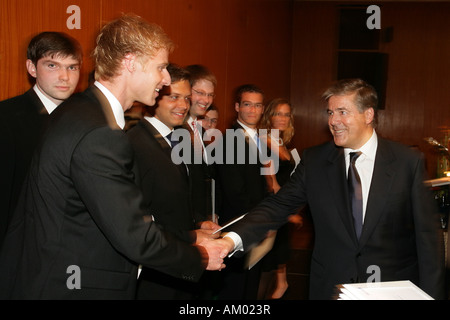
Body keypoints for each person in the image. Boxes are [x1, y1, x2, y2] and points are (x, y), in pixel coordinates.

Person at [0, 14, 228, 300]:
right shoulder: (98, 130)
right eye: (161, 68)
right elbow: (133, 236)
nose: (166, 79)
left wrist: (191, 237)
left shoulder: (82, 111)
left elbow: (110, 216)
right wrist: (200, 258)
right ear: (131, 63)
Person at [220, 78, 445, 300]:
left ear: (368, 115)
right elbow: (277, 206)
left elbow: (427, 237)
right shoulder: (315, 161)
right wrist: (231, 239)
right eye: (330, 113)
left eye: (342, 112)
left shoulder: (407, 162)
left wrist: (432, 295)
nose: (333, 121)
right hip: (331, 287)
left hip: (390, 288)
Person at [127, 63, 220, 299]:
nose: (183, 106)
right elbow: (139, 219)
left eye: (187, 99)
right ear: (155, 97)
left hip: (180, 264)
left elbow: (181, 195)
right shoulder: (135, 144)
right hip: (155, 270)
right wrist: (191, 236)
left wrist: (199, 223)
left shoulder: (180, 140)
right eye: (174, 97)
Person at [0, 32, 82, 249]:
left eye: (72, 67)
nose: (65, 76)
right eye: (53, 66)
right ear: (32, 68)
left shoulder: (86, 120)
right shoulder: (6, 118)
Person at [215, 84, 268, 300]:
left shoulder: (263, 138)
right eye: (247, 104)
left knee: (250, 288)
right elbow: (234, 192)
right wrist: (262, 219)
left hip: (257, 224)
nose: (252, 110)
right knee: (235, 290)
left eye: (257, 105)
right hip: (239, 226)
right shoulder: (229, 141)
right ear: (237, 107)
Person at [257, 98, 303, 299]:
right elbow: (271, 183)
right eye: (278, 114)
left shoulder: (282, 143)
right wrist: (288, 212)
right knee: (267, 260)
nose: (282, 118)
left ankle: (282, 284)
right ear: (269, 117)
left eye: (286, 114)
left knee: (279, 252)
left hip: (282, 203)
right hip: (272, 204)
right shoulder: (265, 142)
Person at [183, 64, 217, 223]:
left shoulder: (201, 131)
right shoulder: (175, 131)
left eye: (210, 95)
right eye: (200, 93)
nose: (206, 100)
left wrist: (210, 213)